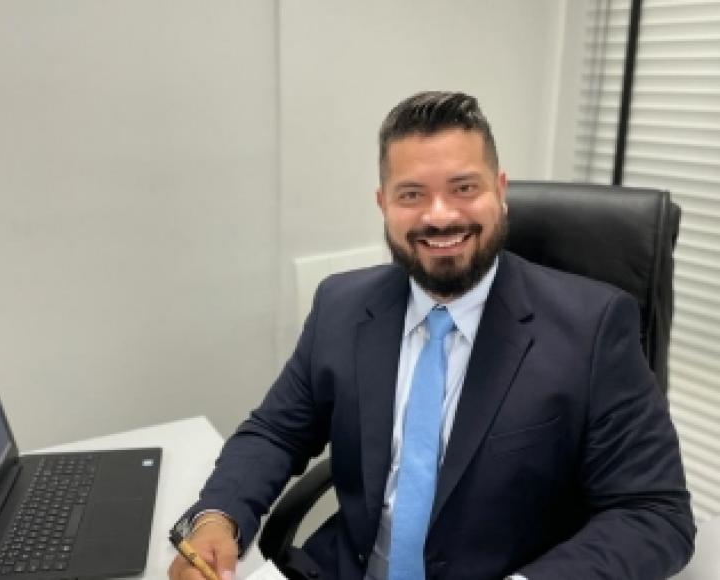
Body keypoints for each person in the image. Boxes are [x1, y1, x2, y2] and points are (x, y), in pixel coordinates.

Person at [168, 91, 695, 580]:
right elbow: (276, 432)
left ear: (500, 191)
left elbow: (654, 513)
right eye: (412, 194)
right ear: (383, 204)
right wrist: (216, 518)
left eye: (464, 189)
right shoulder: (341, 306)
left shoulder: (593, 327)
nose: (439, 216)